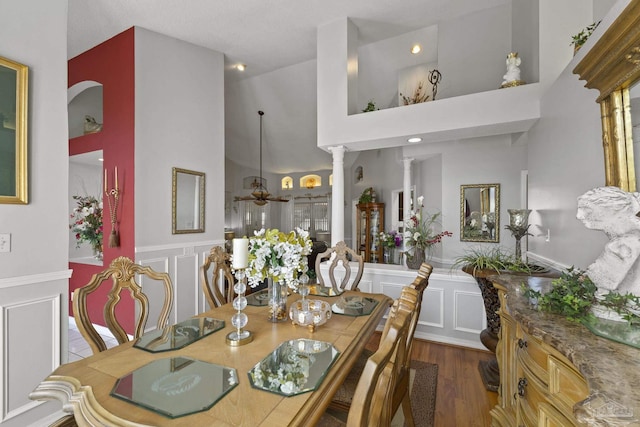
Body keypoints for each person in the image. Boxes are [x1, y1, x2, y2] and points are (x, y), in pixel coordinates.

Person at [576, 186, 640, 295]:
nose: (579, 216)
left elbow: (603, 282)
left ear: (613, 209)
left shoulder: (625, 243)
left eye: (587, 210)